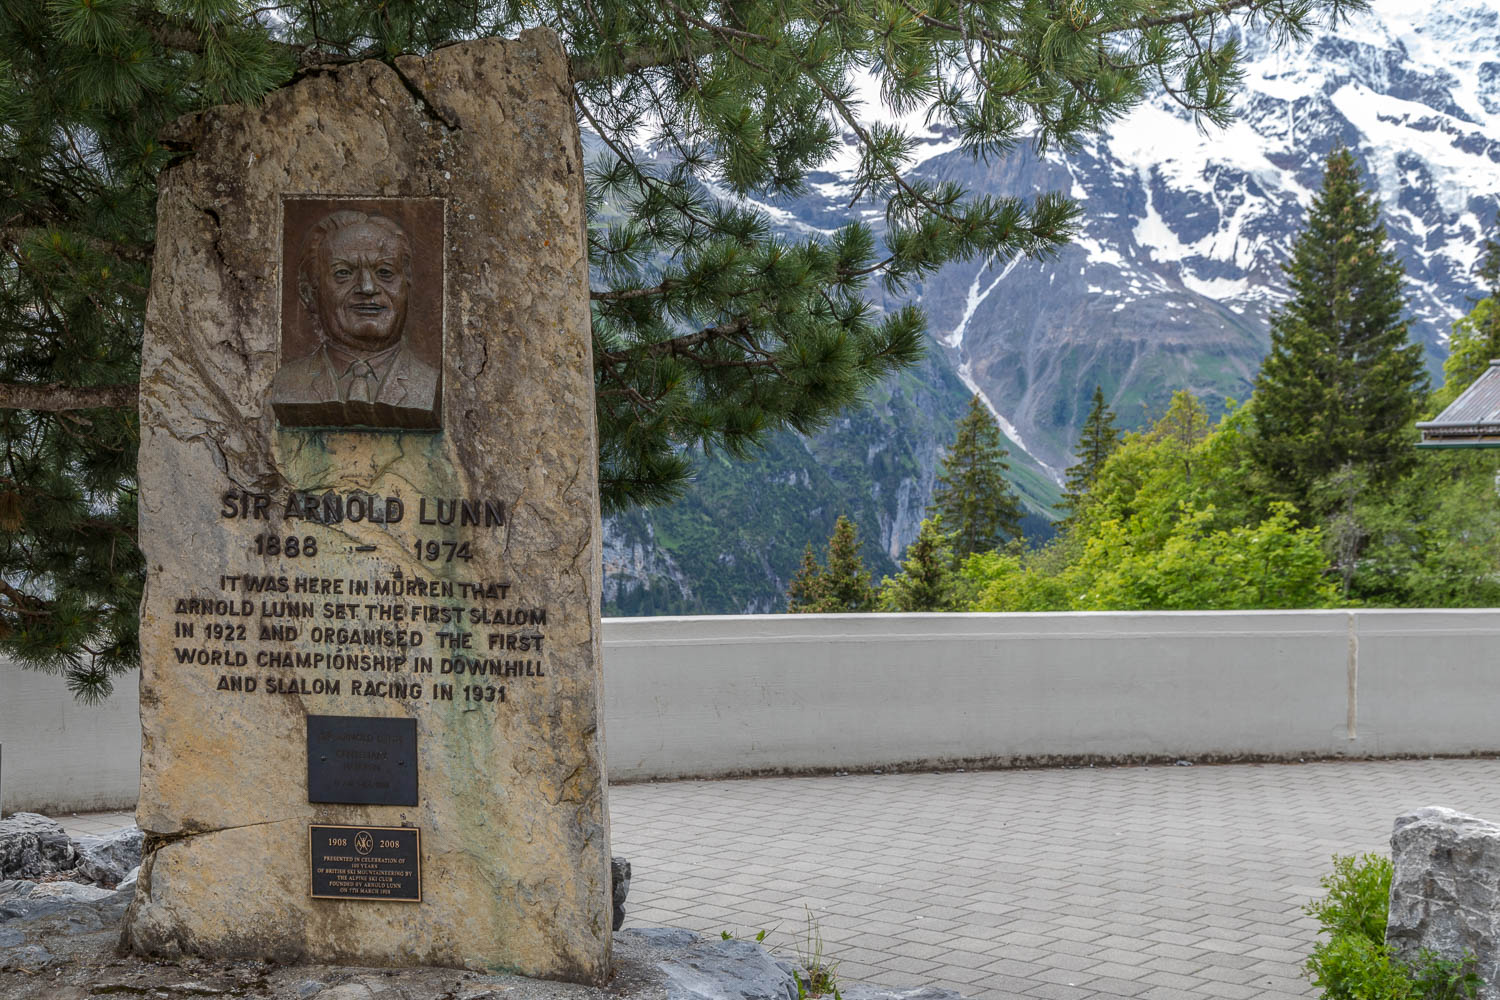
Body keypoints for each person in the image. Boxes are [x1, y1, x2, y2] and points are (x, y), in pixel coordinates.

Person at [271, 211, 441, 429]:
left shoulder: (428, 384)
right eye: (343, 273)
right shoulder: (289, 384)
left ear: (406, 287)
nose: (367, 288)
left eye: (385, 272)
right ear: (309, 293)